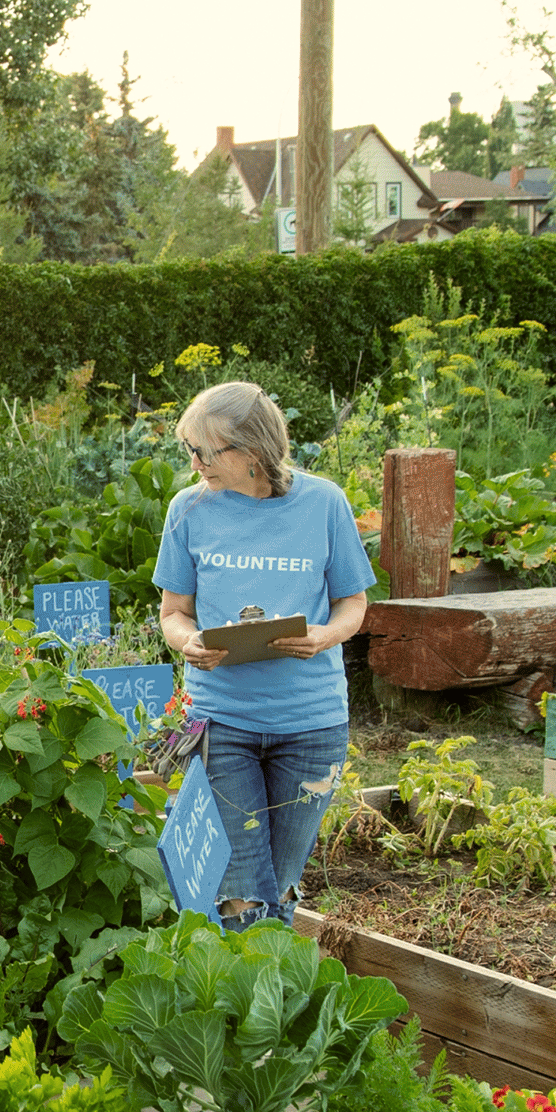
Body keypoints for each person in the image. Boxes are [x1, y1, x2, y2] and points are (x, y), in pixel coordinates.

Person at [153, 378, 372, 930]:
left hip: (312, 726)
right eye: (191, 449)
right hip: (222, 722)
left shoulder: (324, 503)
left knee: (281, 886)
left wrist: (323, 636)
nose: (196, 462)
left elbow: (354, 603)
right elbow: (172, 613)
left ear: (254, 450)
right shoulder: (188, 511)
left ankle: (266, 1004)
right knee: (243, 895)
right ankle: (243, 1002)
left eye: (208, 450)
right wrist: (190, 642)